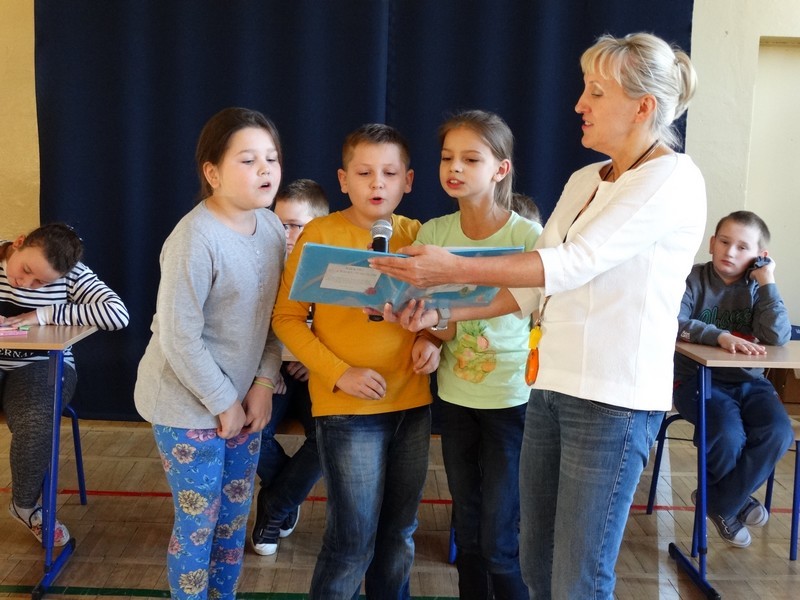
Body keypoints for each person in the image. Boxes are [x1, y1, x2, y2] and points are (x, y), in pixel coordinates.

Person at [371, 32, 706, 599]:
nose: (579, 104)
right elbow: (532, 291)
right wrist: (437, 310)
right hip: (549, 388)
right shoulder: (584, 180)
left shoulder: (670, 178)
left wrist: (453, 266)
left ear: (643, 107)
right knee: (536, 564)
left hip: (613, 400)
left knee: (577, 579)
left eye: (596, 92)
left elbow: (573, 263)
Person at [271, 123, 441, 599]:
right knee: (352, 543)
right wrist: (339, 373)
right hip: (347, 410)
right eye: (364, 173)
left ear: (408, 180)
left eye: (390, 173)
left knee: (398, 535)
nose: (377, 183)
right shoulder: (321, 234)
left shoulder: (418, 236)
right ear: (344, 180)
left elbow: (440, 311)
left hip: (411, 405)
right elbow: (287, 318)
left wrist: (432, 338)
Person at [134, 107, 285, 599]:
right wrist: (223, 402)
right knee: (199, 523)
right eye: (248, 159)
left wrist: (263, 384)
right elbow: (179, 337)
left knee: (233, 519)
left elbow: (277, 318)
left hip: (242, 400)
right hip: (186, 403)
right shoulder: (194, 238)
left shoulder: (272, 228)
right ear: (213, 172)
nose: (265, 169)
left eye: (271, 158)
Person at [418, 110, 540, 599]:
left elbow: (539, 313)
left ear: (500, 169)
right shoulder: (433, 234)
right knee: (467, 533)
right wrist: (426, 334)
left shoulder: (526, 238)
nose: (455, 167)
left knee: (498, 541)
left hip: (512, 400)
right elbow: (437, 321)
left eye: (471, 159)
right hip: (456, 398)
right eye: (447, 157)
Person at [1, 222, 129, 546]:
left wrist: (43, 314)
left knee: (35, 420)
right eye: (25, 270)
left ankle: (25, 506)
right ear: (18, 243)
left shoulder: (72, 274)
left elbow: (117, 314)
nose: (26, 284)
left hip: (39, 365)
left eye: (41, 282)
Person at [672, 210, 793, 548]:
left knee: (779, 432)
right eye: (724, 242)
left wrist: (767, 281)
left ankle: (718, 501)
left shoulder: (758, 288)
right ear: (712, 243)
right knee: (726, 433)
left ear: (760, 256)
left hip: (750, 382)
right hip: (697, 381)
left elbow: (777, 336)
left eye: (742, 247)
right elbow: (674, 321)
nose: (730, 252)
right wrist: (720, 336)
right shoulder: (692, 279)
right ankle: (734, 502)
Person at [252, 178, 329, 556]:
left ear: (319, 226)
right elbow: (250, 330)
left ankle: (275, 503)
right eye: (277, 224)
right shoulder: (263, 265)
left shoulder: (335, 266)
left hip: (319, 372)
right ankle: (286, 491)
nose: (284, 234)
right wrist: (264, 374)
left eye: (295, 225)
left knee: (329, 439)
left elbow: (347, 332)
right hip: (275, 373)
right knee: (251, 433)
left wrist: (315, 363)